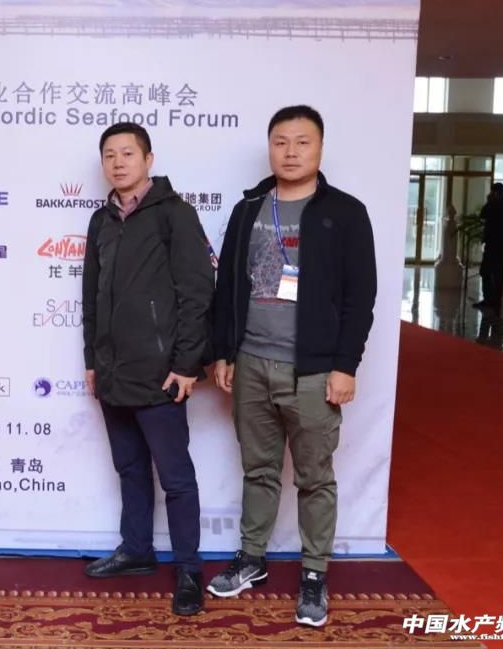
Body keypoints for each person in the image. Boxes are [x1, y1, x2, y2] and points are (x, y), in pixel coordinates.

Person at [207, 105, 376, 627]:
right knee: (258, 470)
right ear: (269, 148)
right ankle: (252, 558)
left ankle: (314, 573)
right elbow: (227, 288)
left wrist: (345, 366)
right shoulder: (248, 209)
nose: (291, 152)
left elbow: (361, 296)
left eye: (302, 142)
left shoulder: (345, 212)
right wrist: (223, 351)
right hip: (251, 363)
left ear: (320, 148)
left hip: (313, 371)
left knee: (314, 477)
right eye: (280, 142)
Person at [81, 122, 215, 616]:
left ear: (148, 160)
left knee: (176, 478)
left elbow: (197, 293)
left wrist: (186, 365)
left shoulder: (174, 215)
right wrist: (92, 361)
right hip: (113, 372)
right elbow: (91, 298)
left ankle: (189, 570)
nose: (118, 163)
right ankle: (136, 549)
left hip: (161, 374)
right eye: (109, 155)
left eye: (128, 154)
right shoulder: (101, 221)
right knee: (130, 468)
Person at [473, 183, 503, 313]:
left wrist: (489, 202)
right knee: (489, 272)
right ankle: (491, 300)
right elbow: (483, 215)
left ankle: (493, 300)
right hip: (497, 244)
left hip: (498, 244)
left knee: (495, 273)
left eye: (493, 193)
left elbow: (483, 215)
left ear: (497, 193)